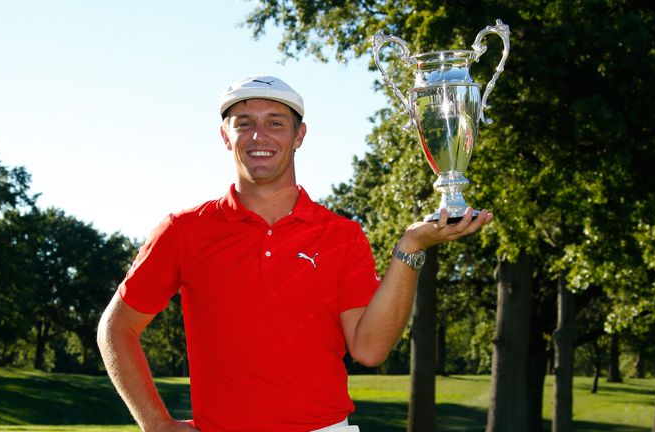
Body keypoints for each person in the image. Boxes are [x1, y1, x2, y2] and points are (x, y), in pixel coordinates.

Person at [97, 75, 493, 432]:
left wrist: (410, 247)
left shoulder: (341, 234)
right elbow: (116, 328)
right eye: (244, 124)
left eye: (275, 122)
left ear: (299, 135)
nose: (259, 137)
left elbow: (369, 349)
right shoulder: (183, 230)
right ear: (225, 136)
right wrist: (157, 424)